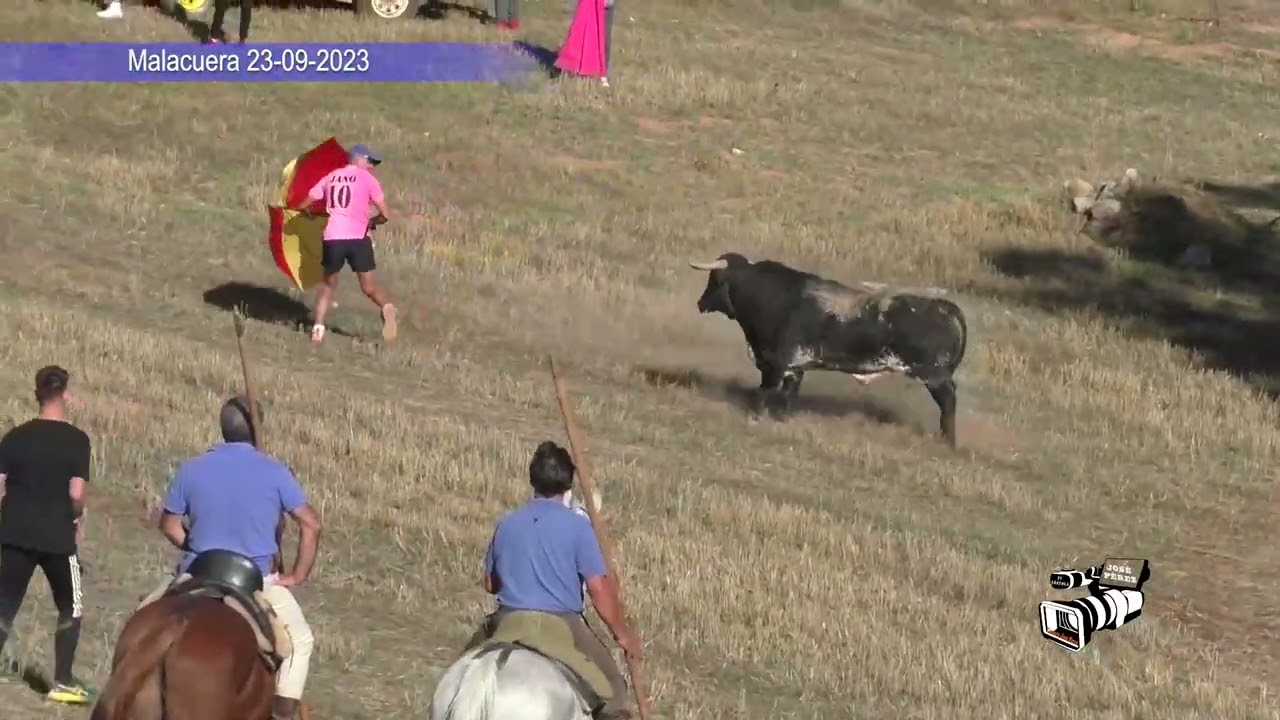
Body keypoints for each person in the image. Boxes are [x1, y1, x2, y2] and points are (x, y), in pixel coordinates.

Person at [155, 396, 323, 720]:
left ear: (223, 427)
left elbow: (169, 524)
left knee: (142, 619)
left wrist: (194, 544)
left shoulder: (193, 468)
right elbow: (311, 524)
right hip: (254, 581)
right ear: (255, 431)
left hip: (197, 572)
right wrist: (296, 576)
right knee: (300, 642)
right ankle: (282, 712)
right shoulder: (274, 472)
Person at [462, 441, 639, 720]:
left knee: (460, 672)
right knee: (615, 692)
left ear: (533, 480)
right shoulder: (579, 528)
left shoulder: (507, 523)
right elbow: (598, 588)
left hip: (507, 621)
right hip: (562, 625)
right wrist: (622, 633)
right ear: (568, 485)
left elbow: (490, 584)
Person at [0, 366, 94, 704]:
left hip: (14, 533)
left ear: (36, 395)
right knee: (72, 606)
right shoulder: (77, 440)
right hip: (57, 538)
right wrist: (77, 517)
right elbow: (75, 494)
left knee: (5, 600)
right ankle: (63, 681)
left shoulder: (16, 436)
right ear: (65, 394)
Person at [300, 144, 398, 347]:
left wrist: (308, 213)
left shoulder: (331, 176)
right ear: (358, 159)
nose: (371, 166)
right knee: (369, 287)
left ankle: (318, 330)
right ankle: (387, 307)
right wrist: (373, 222)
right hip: (359, 238)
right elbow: (386, 215)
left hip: (333, 237)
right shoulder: (368, 179)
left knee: (328, 285)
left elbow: (306, 203)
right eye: (370, 161)